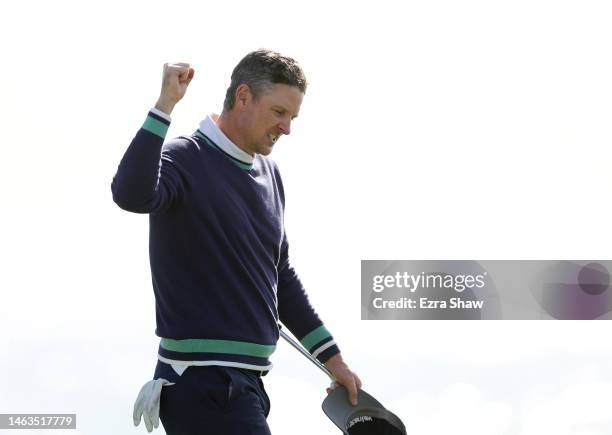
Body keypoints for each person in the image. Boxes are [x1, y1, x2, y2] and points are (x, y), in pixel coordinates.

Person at [111, 49, 362, 434]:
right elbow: (130, 194)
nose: (287, 127)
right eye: (279, 112)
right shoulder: (184, 158)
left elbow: (281, 278)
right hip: (203, 384)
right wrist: (164, 106)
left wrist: (335, 361)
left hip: (246, 386)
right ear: (243, 97)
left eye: (292, 117)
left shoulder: (270, 174)